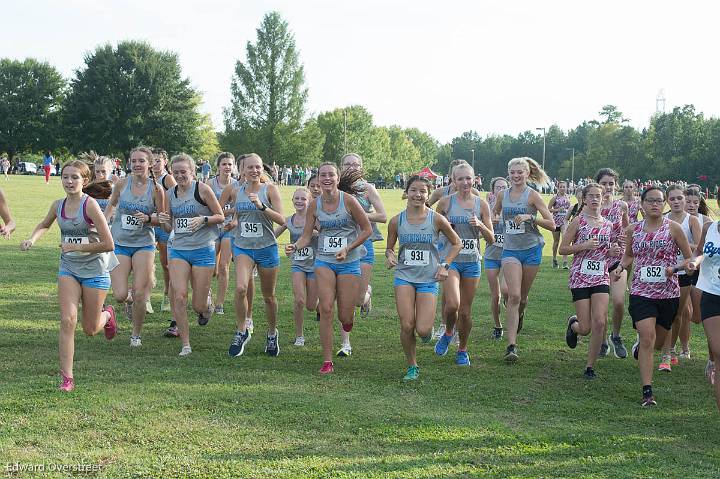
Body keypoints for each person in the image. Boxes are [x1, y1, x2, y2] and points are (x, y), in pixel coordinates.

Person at [20, 160, 117, 392]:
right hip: (69, 269)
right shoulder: (58, 205)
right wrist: (32, 239)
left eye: (75, 177)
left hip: (96, 270)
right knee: (67, 320)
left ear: (84, 181)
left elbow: (109, 244)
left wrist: (77, 248)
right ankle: (67, 378)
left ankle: (108, 315)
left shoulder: (91, 205)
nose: (69, 181)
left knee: (90, 329)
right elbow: (44, 224)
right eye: (65, 177)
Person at [286, 163, 372, 374]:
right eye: (322, 175)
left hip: (349, 262)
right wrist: (295, 246)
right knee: (325, 309)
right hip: (324, 260)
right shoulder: (314, 205)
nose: (326, 178)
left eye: (330, 175)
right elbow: (307, 236)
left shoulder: (349, 201)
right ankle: (327, 360)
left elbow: (367, 230)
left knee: (345, 316)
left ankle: (351, 317)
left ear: (337, 177)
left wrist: (348, 247)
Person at [614, 186, 693, 406]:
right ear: (642, 204)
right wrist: (621, 267)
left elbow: (689, 259)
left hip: (668, 293)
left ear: (664, 204)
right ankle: (647, 391)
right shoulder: (634, 230)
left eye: (659, 201)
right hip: (641, 291)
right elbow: (629, 255)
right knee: (648, 337)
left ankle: (640, 348)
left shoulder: (674, 228)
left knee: (656, 343)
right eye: (650, 201)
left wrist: (675, 269)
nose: (655, 204)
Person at [386, 175, 461, 380]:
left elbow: (457, 243)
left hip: (428, 278)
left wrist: (445, 265)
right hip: (404, 276)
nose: (418, 195)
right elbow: (390, 248)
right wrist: (390, 256)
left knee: (423, 329)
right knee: (407, 324)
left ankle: (427, 334)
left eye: (423, 191)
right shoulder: (396, 221)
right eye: (414, 190)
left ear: (428, 195)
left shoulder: (436, 219)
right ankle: (412, 366)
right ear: (406, 192)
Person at [158, 154, 224, 356]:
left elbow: (219, 215)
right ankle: (185, 344)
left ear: (192, 172)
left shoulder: (202, 189)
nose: (179, 176)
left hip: (203, 249)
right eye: (175, 172)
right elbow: (170, 226)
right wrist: (163, 220)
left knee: (198, 305)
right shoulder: (170, 194)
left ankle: (207, 303)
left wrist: (203, 219)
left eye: (183, 172)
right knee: (178, 295)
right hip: (179, 249)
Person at [220, 153, 284, 358]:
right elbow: (220, 210)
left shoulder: (270, 189)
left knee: (269, 297)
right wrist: (231, 221)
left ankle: (272, 333)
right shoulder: (234, 190)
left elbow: (282, 219)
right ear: (243, 170)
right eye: (250, 167)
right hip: (243, 247)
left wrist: (262, 206)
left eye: (258, 167)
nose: (255, 171)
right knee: (240, 288)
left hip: (267, 248)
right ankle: (242, 330)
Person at [493, 157, 555, 362]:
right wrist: (492, 218)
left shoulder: (533, 196)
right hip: (510, 249)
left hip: (531, 249)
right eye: (513, 172)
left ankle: (520, 314)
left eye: (520, 172)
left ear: (527, 174)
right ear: (508, 173)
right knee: (513, 295)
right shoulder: (502, 195)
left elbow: (552, 224)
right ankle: (511, 346)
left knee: (523, 298)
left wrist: (531, 217)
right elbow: (495, 212)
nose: (516, 176)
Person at [434, 163, 494, 365]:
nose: (465, 182)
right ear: (453, 181)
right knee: (452, 305)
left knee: (466, 312)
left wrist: (481, 225)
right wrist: (445, 227)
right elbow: (433, 230)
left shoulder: (481, 204)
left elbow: (492, 239)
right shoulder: (444, 203)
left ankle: (462, 349)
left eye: (468, 178)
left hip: (471, 262)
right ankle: (449, 332)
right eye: (460, 179)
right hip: (450, 260)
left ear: (474, 179)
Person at [104, 146, 164, 347]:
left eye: (141, 161)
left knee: (140, 292)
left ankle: (136, 334)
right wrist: (103, 224)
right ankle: (127, 301)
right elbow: (112, 205)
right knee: (120, 295)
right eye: (134, 161)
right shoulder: (121, 184)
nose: (137, 165)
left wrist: (148, 218)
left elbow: (164, 220)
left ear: (149, 164)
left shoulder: (156, 190)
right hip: (120, 242)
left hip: (144, 245)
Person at [561, 183, 621, 379]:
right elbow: (563, 249)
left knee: (600, 321)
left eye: (599, 196)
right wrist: (583, 245)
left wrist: (612, 252)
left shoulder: (608, 225)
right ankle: (574, 325)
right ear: (584, 199)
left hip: (600, 277)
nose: (595, 199)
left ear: (603, 199)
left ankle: (589, 367)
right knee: (585, 328)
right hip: (579, 277)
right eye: (592, 196)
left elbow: (608, 250)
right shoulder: (578, 221)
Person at [335, 153, 387, 357]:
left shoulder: (368, 189)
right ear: (341, 166)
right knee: (343, 297)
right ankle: (345, 343)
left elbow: (382, 216)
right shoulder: (335, 186)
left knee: (357, 300)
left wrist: (359, 214)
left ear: (362, 167)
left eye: (356, 164)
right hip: (341, 248)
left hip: (364, 247)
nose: (352, 167)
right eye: (348, 164)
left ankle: (366, 295)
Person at [657, 186, 701, 371]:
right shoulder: (662, 219)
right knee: (664, 313)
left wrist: (680, 241)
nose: (676, 202)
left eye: (679, 198)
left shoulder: (691, 220)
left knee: (677, 314)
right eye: (672, 198)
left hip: (684, 272)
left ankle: (673, 347)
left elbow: (699, 248)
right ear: (667, 200)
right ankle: (666, 354)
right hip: (663, 271)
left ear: (685, 199)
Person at [685, 201, 720, 411]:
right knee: (718, 351)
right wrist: (694, 263)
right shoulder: (710, 228)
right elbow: (700, 251)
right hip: (712, 294)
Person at [275, 187, 318, 346]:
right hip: (298, 264)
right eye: (296, 199)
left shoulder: (315, 220)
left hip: (314, 265)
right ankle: (299, 335)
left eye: (303, 199)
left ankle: (320, 300)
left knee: (311, 306)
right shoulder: (288, 220)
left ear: (310, 201)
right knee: (299, 300)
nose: (299, 201)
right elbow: (272, 236)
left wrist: (314, 233)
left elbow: (326, 234)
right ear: (292, 201)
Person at [597, 168, 630, 359]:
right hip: (597, 261)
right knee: (601, 307)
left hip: (617, 259)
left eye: (611, 183)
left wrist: (626, 239)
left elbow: (626, 227)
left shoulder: (622, 206)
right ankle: (602, 341)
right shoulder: (592, 205)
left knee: (618, 302)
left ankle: (616, 336)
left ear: (615, 185)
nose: (608, 187)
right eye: (604, 183)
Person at [210, 152, 239, 316]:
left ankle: (219, 303)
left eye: (230, 164)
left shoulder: (237, 185)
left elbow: (241, 207)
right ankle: (207, 296)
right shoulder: (209, 184)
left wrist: (233, 218)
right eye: (224, 164)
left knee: (224, 266)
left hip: (229, 229)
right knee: (209, 266)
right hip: (212, 229)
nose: (227, 167)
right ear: (218, 166)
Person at [150, 149, 176, 321]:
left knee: (166, 263)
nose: (155, 163)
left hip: (164, 224)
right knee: (146, 262)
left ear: (165, 162)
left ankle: (167, 294)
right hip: (149, 223)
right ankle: (145, 297)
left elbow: (177, 196)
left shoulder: (167, 178)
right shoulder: (146, 178)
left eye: (158, 160)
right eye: (153, 160)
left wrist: (169, 217)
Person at [485, 177, 509, 340]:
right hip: (492, 255)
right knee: (496, 296)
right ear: (492, 191)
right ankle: (498, 325)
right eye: (498, 187)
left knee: (508, 292)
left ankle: (514, 312)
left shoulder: (512, 208)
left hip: (509, 255)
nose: (501, 189)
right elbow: (480, 234)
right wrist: (488, 225)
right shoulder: (486, 209)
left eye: (504, 187)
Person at [548, 181, 571, 269]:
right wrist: (557, 210)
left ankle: (565, 262)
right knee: (556, 242)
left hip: (564, 221)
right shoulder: (554, 198)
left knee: (565, 239)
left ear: (566, 187)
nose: (562, 188)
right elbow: (548, 209)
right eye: (561, 187)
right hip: (555, 221)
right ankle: (554, 259)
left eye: (564, 187)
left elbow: (569, 208)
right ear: (558, 188)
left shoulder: (568, 197)